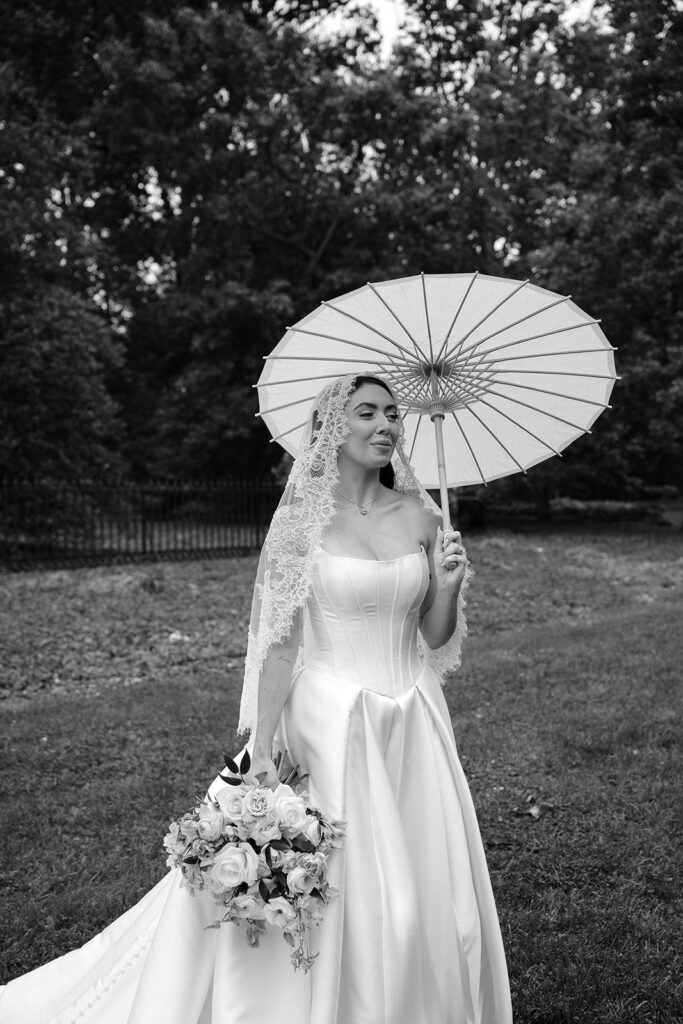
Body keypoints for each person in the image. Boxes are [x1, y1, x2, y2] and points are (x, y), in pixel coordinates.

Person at [0, 374, 512, 1024]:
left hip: (413, 720)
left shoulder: (421, 515)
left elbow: (433, 637)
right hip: (330, 723)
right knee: (335, 882)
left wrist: (445, 585)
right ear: (333, 426)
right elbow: (277, 642)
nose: (385, 425)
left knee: (422, 890)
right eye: (367, 413)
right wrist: (263, 744)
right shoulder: (301, 525)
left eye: (391, 414)